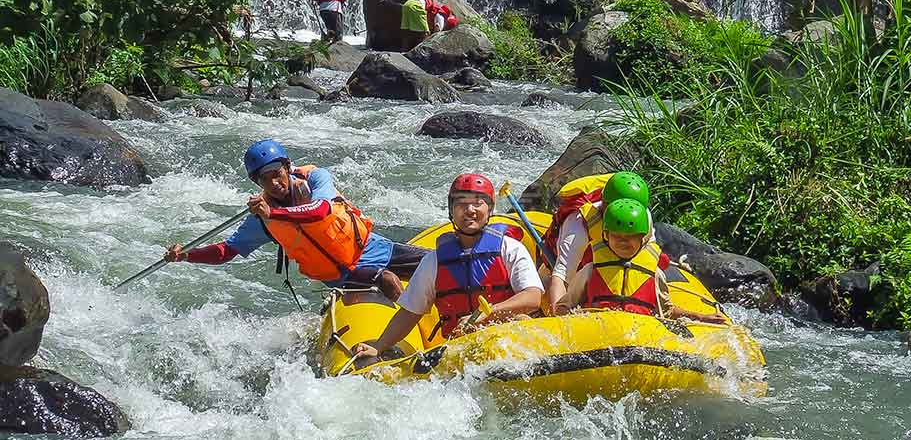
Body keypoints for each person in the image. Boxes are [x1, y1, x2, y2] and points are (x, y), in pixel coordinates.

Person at [163, 140, 426, 301]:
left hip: (373, 248)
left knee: (440, 260)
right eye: (264, 179)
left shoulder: (316, 179)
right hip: (344, 275)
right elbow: (227, 251)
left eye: (277, 174)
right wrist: (186, 255)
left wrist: (273, 213)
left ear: (288, 168)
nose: (274, 183)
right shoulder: (261, 218)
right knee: (388, 279)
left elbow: (320, 211)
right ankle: (411, 330)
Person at [352, 174, 544, 359]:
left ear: (490, 209)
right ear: (451, 211)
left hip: (510, 341)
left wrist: (487, 314)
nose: (470, 210)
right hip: (462, 348)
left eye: (478, 203)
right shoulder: (434, 261)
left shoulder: (510, 248)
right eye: (461, 203)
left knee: (522, 321)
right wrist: (380, 345)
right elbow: (410, 312)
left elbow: (532, 297)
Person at [560, 199, 727, 324]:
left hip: (641, 333)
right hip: (598, 330)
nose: (622, 242)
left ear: (643, 238)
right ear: (606, 236)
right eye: (616, 236)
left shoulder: (655, 274)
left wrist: (702, 317)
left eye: (630, 237)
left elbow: (667, 311)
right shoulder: (591, 270)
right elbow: (564, 306)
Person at [541, 172, 658, 313]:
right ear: (604, 204)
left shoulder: (641, 216)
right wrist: (558, 314)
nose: (626, 213)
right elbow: (561, 277)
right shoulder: (578, 225)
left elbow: (645, 260)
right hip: (573, 272)